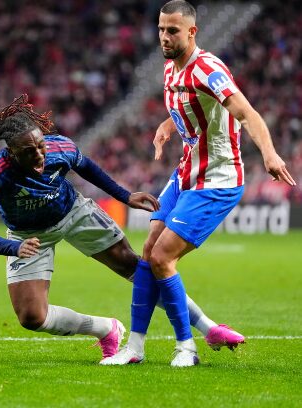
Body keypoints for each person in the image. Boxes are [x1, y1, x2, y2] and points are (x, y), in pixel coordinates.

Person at [0, 94, 245, 362]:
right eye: (28, 152)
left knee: (139, 268)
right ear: (11, 152)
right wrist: (15, 247)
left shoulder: (59, 147)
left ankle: (209, 329)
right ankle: (106, 329)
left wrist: (124, 196)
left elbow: (88, 168)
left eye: (40, 146)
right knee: (32, 317)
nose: (39, 155)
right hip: (28, 236)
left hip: (74, 212)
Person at [101, 0, 297, 367]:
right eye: (161, 29)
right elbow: (187, 107)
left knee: (163, 257)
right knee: (148, 252)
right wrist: (166, 126)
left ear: (192, 32)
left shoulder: (208, 69)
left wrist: (269, 153)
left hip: (218, 179)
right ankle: (135, 347)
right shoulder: (169, 67)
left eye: (173, 30)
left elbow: (246, 113)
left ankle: (186, 348)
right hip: (186, 172)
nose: (164, 36)